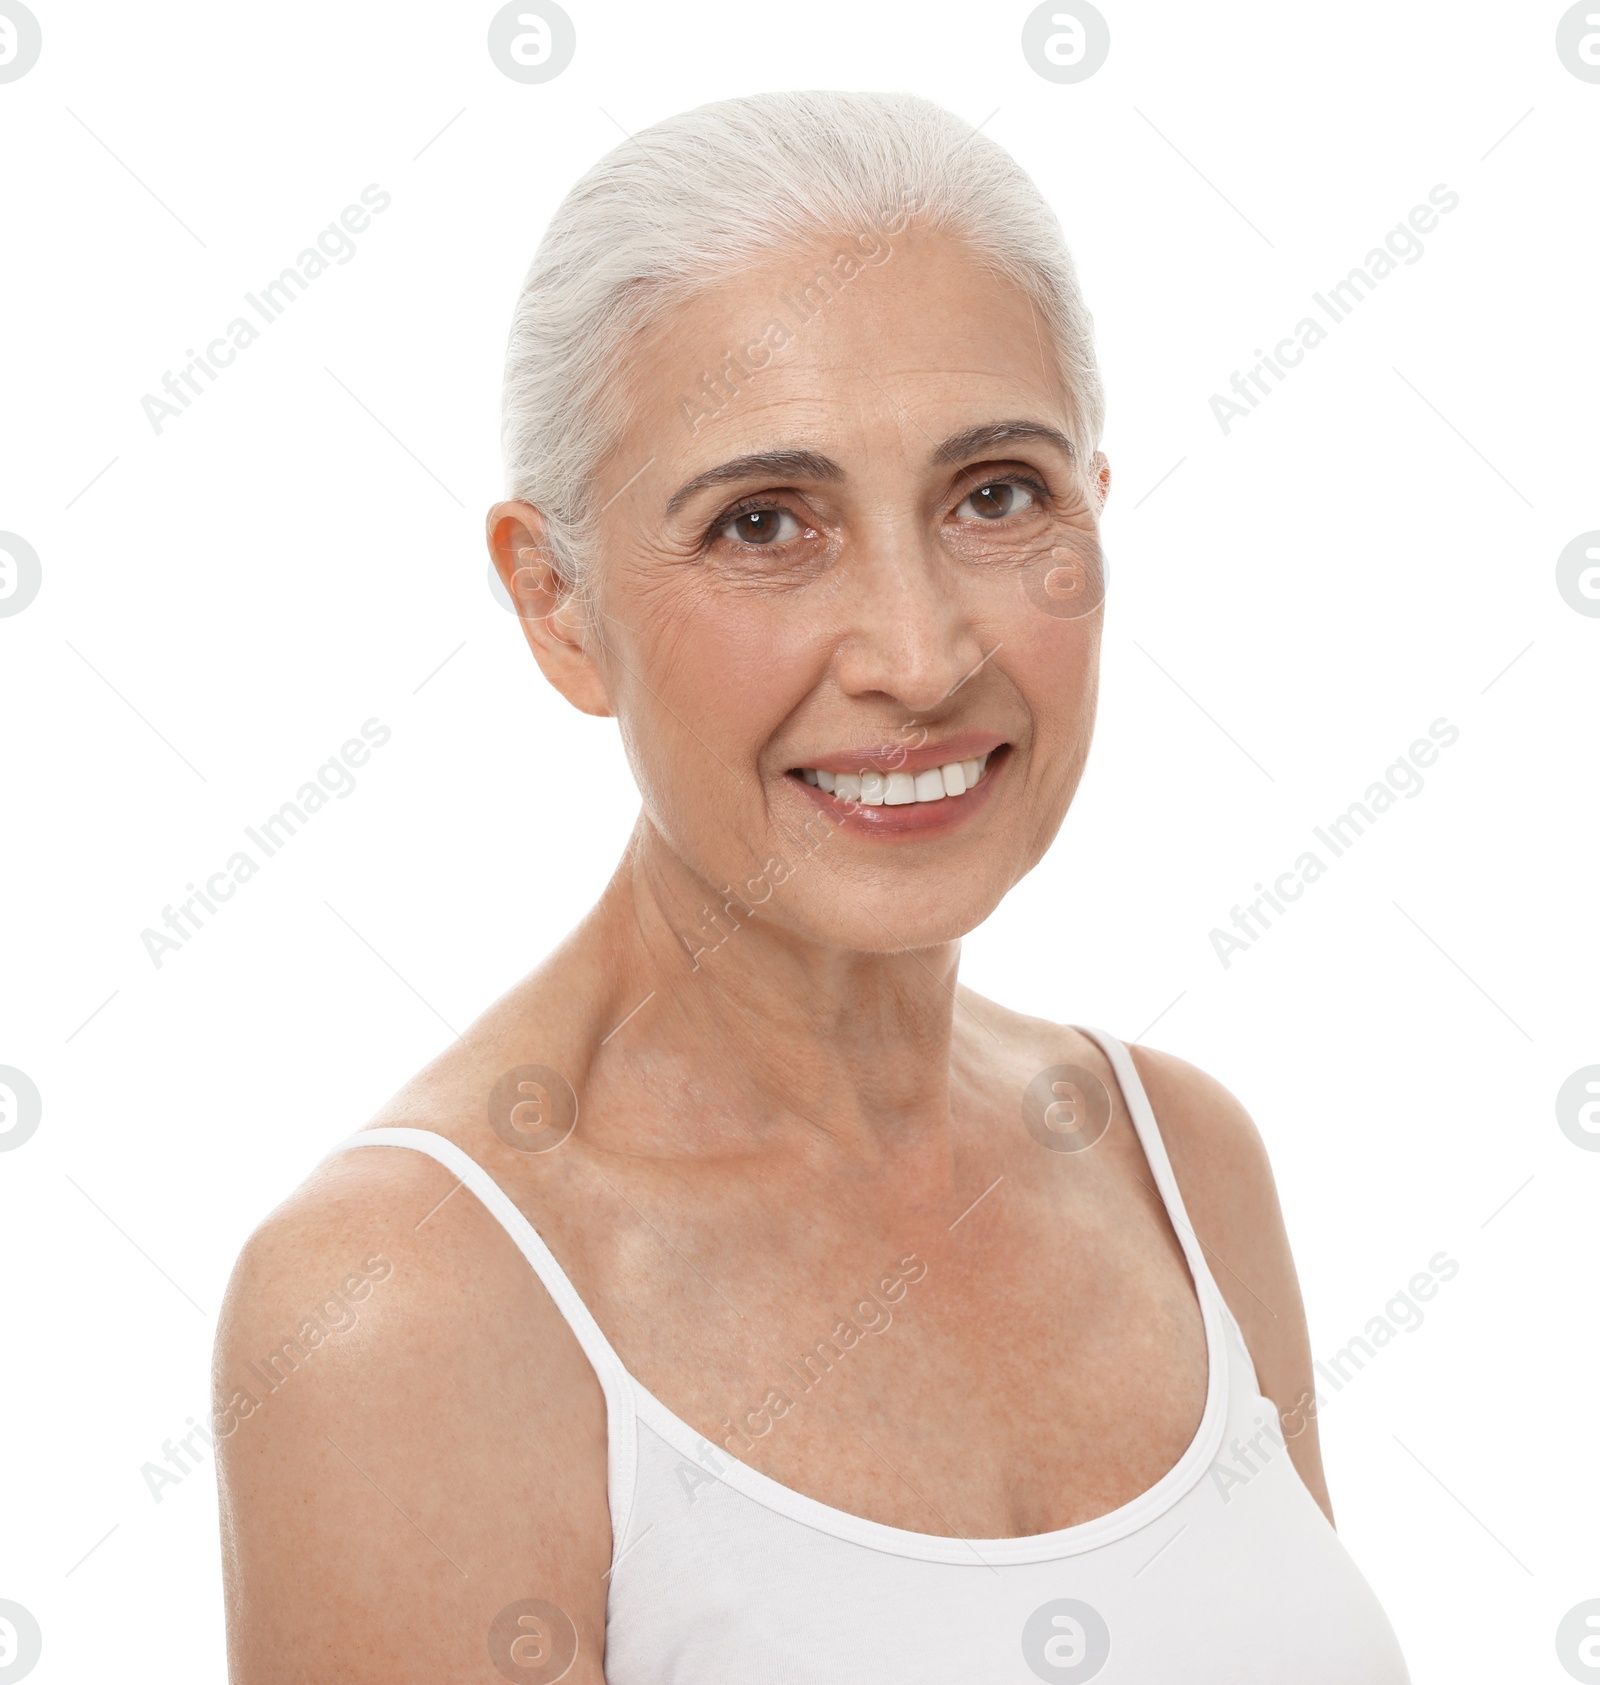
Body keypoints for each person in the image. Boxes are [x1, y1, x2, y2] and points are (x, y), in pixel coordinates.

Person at [213, 90, 1410, 1683]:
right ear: (556, 604)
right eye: (765, 522)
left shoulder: (1177, 1160)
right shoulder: (406, 1307)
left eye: (995, 494)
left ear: (1093, 517)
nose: (920, 657)